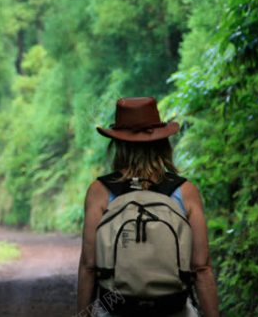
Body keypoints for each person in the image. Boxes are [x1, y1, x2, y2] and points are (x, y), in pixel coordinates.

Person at [76, 97, 220, 317]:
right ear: (162, 143)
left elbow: (89, 265)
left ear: (118, 145)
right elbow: (202, 268)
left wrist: (83, 314)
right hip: (172, 308)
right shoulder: (185, 191)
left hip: (116, 307)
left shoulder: (100, 191)